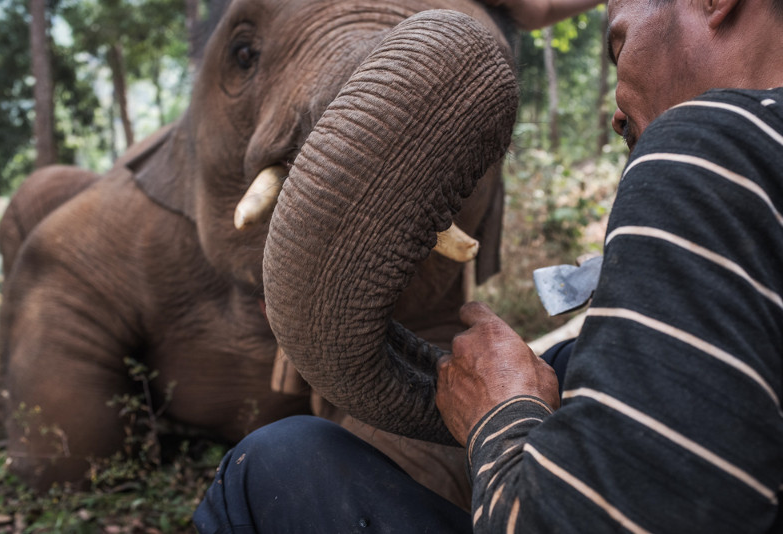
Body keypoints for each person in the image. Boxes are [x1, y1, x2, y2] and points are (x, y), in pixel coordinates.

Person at [194, 0, 783, 531]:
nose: (614, 122)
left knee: (277, 462)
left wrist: (504, 415)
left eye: (618, 43)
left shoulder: (710, 139)